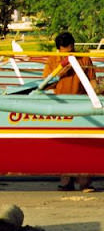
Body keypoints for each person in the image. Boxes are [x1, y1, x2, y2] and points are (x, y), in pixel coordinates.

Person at [42, 31, 97, 192]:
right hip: (61, 105)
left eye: (71, 50)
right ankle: (66, 181)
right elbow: (45, 82)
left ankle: (85, 182)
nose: (69, 53)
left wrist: (96, 96)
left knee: (84, 143)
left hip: (82, 104)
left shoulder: (84, 59)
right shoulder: (53, 61)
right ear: (59, 49)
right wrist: (62, 69)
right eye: (66, 51)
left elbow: (92, 80)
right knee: (65, 144)